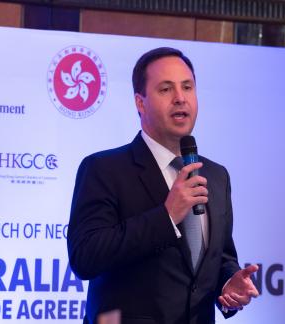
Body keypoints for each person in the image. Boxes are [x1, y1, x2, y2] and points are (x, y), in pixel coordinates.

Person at [67, 47, 259, 324]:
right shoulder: (103, 169)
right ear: (140, 103)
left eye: (188, 87)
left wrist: (229, 283)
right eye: (166, 89)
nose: (180, 98)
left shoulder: (216, 176)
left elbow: (218, 257)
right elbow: (85, 257)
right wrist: (166, 216)